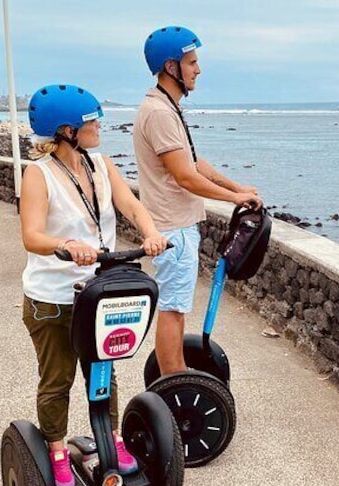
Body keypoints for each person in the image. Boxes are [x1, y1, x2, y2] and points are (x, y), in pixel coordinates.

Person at [20, 83, 169, 486]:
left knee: (104, 368)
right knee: (58, 379)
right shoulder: (39, 175)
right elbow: (31, 236)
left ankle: (114, 438)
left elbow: (132, 205)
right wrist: (65, 245)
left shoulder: (101, 165)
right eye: (90, 120)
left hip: (98, 291)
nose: (98, 125)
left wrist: (151, 232)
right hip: (52, 299)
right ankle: (55, 451)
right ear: (67, 130)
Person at [133, 26, 262, 377]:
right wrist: (234, 197)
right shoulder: (159, 112)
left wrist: (237, 187)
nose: (198, 70)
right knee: (173, 309)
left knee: (176, 306)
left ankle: (174, 373)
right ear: (171, 66)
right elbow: (184, 176)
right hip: (172, 225)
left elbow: (194, 162)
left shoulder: (168, 108)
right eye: (192, 62)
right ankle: (174, 381)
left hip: (178, 222)